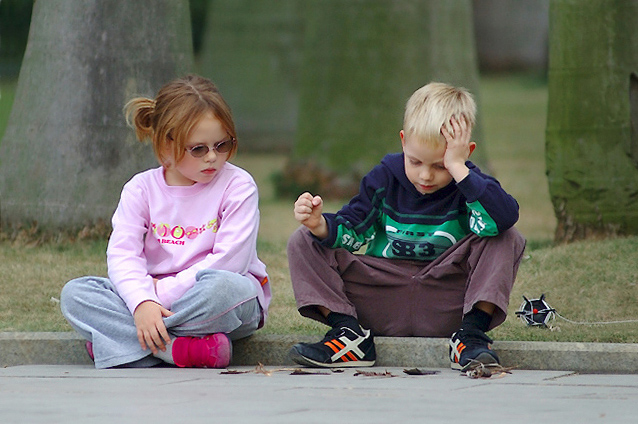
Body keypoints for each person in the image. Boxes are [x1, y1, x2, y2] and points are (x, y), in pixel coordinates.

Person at [287, 82, 525, 371]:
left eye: (440, 166)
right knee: (304, 239)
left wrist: (459, 169)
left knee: (505, 236)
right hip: (380, 294)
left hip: (447, 301)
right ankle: (348, 336)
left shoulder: (470, 185)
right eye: (415, 161)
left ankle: (470, 338)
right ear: (403, 141)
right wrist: (320, 225)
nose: (425, 175)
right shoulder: (384, 178)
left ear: (465, 153)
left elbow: (503, 218)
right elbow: (353, 230)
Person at [60, 74, 271, 369]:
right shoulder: (140, 189)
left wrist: (155, 298)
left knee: (223, 289)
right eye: (198, 149)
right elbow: (123, 255)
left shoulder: (239, 186)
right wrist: (141, 302)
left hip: (217, 301)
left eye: (222, 145)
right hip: (150, 297)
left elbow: (229, 262)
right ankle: (177, 350)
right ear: (166, 148)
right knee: (76, 295)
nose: (212, 157)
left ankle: (122, 342)